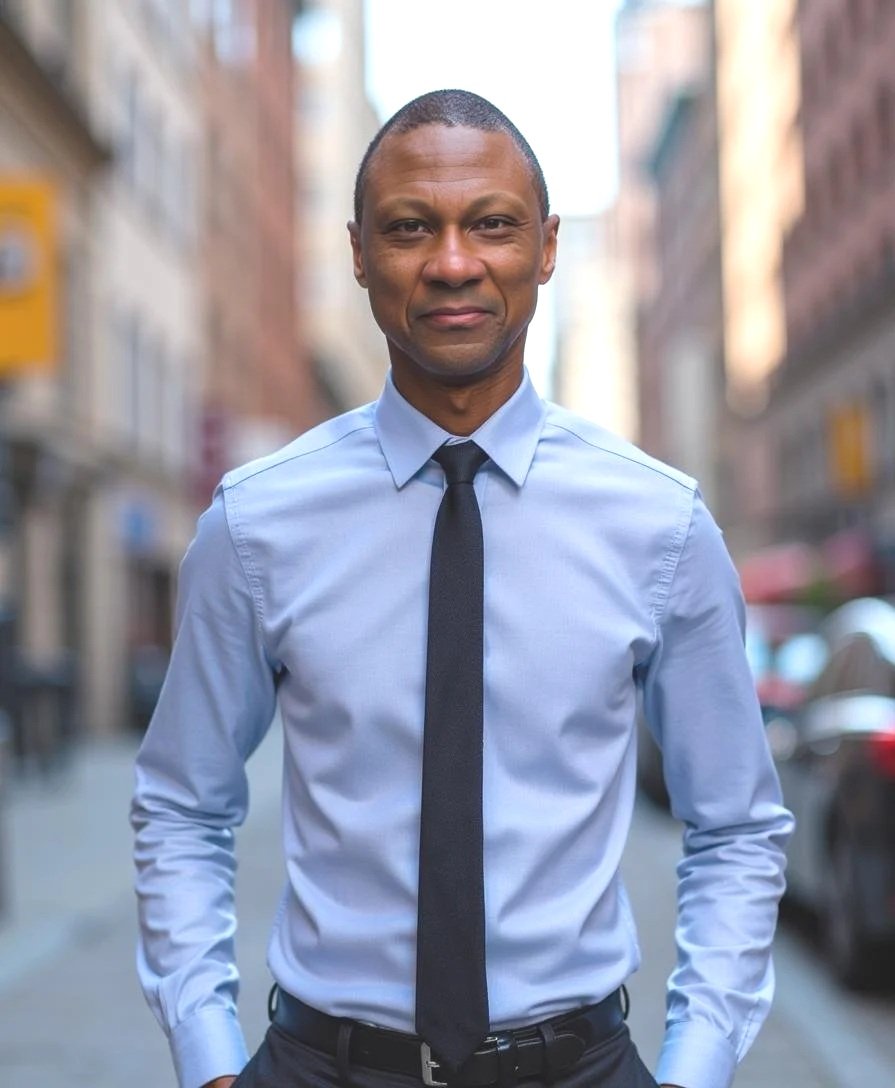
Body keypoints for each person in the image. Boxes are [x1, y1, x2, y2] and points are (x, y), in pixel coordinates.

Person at [132, 89, 793, 1088]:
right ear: (358, 252)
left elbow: (735, 823)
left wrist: (696, 1066)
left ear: (547, 245)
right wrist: (208, 1054)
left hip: (577, 1063)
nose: (451, 262)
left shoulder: (659, 524)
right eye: (409, 228)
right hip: (323, 1063)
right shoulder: (258, 522)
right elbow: (182, 799)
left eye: (490, 223)